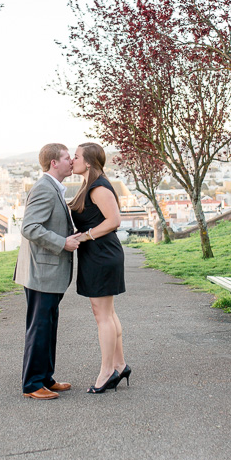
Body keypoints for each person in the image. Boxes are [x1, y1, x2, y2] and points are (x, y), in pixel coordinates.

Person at [13, 143, 80, 400]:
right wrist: (62, 242)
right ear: (54, 163)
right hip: (41, 272)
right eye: (66, 158)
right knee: (39, 328)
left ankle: (45, 378)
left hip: (47, 272)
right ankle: (32, 384)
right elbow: (29, 227)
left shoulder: (53, 188)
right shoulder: (44, 188)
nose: (71, 162)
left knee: (48, 326)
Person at [70, 142, 130, 394]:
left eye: (76, 156)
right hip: (98, 253)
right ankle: (120, 364)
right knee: (108, 313)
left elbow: (114, 220)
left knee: (102, 315)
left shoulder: (98, 187)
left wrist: (85, 237)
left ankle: (107, 372)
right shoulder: (90, 185)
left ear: (88, 162)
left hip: (102, 254)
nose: (72, 160)